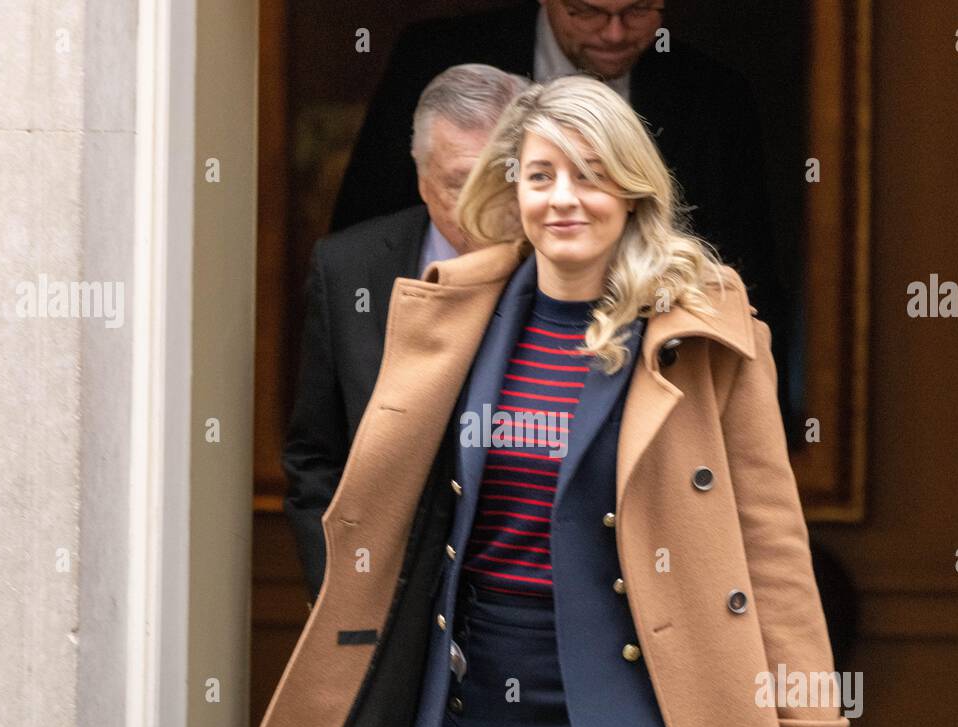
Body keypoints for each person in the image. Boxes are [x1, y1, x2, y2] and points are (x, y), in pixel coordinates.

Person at [206, 76, 847, 727]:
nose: (563, 199)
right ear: (512, 189)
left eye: (590, 173)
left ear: (633, 188)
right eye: (540, 176)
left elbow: (774, 547)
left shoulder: (705, 328)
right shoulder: (453, 314)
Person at [327, 0, 795, 427]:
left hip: (652, 376)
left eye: (638, 13)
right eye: (587, 13)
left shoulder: (714, 93)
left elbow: (748, 258)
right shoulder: (437, 54)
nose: (614, 33)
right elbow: (368, 228)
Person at [283, 64, 530, 602]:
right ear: (421, 178)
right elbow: (315, 457)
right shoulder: (348, 266)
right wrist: (341, 595)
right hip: (386, 598)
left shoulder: (569, 271)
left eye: (501, 179)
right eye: (458, 184)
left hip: (523, 598)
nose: (479, 207)